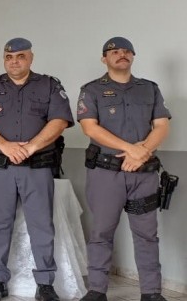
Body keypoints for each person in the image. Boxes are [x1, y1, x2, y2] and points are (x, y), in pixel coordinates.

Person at [0, 38, 72, 301]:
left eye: (20, 56)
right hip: (1, 167)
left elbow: (59, 120)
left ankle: (45, 283)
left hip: (37, 167)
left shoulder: (49, 85)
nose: (14, 61)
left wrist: (31, 147)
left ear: (31, 58)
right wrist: (4, 145)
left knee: (42, 226)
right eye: (8, 56)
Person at [76, 37, 171, 301]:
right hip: (106, 174)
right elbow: (90, 127)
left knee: (147, 234)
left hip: (143, 174)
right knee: (102, 232)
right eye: (114, 51)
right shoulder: (92, 90)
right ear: (104, 58)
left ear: (133, 56)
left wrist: (141, 154)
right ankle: (96, 290)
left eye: (127, 51)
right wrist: (131, 149)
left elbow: (161, 126)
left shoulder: (149, 89)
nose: (121, 54)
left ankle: (151, 292)